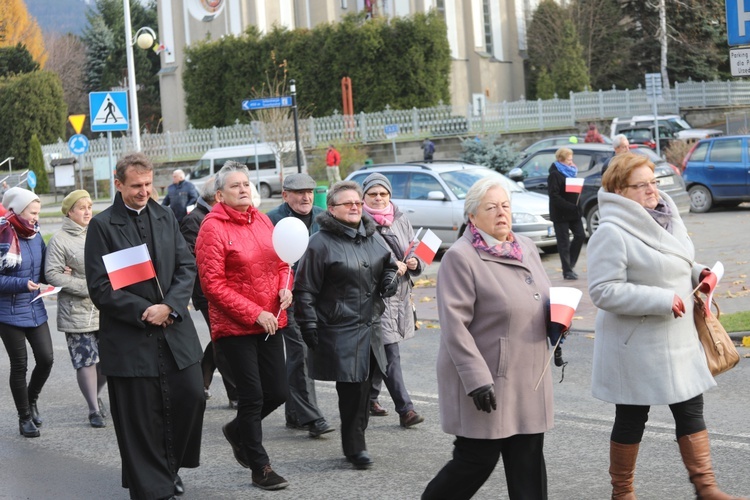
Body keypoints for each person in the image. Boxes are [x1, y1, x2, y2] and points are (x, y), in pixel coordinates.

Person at [587, 152, 743, 500]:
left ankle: (706, 489)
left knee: (691, 408)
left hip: (677, 339)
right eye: (640, 185)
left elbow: (675, 261)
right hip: (636, 345)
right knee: (631, 417)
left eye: (653, 182)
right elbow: (602, 290)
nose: (651, 191)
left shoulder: (667, 216)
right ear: (619, 190)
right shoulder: (611, 231)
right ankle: (622, 493)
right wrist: (659, 299)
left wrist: (698, 272)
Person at [422, 176, 555, 500]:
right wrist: (476, 379)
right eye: (491, 207)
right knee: (475, 461)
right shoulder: (461, 257)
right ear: (472, 216)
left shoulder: (525, 247)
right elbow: (455, 325)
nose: (501, 213)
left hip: (528, 379)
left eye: (505, 205)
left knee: (528, 464)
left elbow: (541, 297)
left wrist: (557, 327)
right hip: (488, 380)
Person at [85, 153, 205, 500]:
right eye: (136, 186)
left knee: (191, 396)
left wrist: (169, 306)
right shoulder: (103, 225)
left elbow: (186, 266)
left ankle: (169, 467)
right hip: (130, 337)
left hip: (174, 330)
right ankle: (152, 487)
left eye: (149, 184)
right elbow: (101, 287)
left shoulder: (165, 215)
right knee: (140, 416)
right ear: (118, 184)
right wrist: (145, 310)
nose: (144, 191)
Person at [195, 161, 291, 491]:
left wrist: (285, 286)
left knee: (278, 391)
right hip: (235, 327)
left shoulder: (263, 220)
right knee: (252, 397)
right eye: (235, 186)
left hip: (270, 321)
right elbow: (212, 284)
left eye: (246, 184)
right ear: (220, 195)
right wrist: (253, 313)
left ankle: (237, 431)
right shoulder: (212, 227)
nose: (244, 189)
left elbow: (283, 261)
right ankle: (260, 467)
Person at [294, 181, 399, 470]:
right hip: (340, 328)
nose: (355, 207)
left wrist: (390, 277)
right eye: (347, 203)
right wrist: (309, 325)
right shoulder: (319, 243)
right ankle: (355, 447)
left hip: (372, 327)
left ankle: (356, 438)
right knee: (352, 389)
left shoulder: (371, 235)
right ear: (331, 209)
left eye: (357, 202)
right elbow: (304, 289)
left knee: (366, 388)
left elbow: (389, 263)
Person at [266, 173, 333, 438]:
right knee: (300, 354)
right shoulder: (271, 220)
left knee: (306, 355)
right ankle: (312, 417)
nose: (305, 197)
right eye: (298, 192)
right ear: (285, 195)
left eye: (309, 191)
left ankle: (294, 414)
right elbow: (266, 261)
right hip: (286, 298)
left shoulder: (323, 217)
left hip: (317, 297)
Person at [361, 173, 425, 428]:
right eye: (373, 194)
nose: (378, 198)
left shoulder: (400, 218)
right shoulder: (359, 223)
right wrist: (389, 266)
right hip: (376, 297)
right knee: (389, 351)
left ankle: (369, 398)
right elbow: (360, 259)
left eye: (383, 194)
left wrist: (414, 261)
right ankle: (405, 409)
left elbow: (415, 245)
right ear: (364, 197)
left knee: (381, 349)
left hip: (400, 295)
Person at [45, 190, 107, 429]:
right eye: (81, 207)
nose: (87, 211)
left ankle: (96, 395)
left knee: (107, 361)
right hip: (76, 310)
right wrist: (88, 287)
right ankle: (93, 408)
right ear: (70, 211)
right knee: (86, 360)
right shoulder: (59, 239)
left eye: (89, 206)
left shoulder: (98, 232)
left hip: (103, 308)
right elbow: (52, 274)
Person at [179, 177, 238, 409]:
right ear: (217, 197)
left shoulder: (221, 215)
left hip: (229, 289)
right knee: (223, 342)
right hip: (207, 293)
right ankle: (236, 394)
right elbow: (191, 260)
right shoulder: (194, 220)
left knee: (220, 338)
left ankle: (201, 381)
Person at [0, 187, 53, 438]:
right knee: (19, 365)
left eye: (38, 212)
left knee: (46, 359)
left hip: (34, 305)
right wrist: (21, 284)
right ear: (18, 210)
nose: (36, 217)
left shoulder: (35, 233)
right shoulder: (3, 233)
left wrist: (55, 276)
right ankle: (24, 417)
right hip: (7, 313)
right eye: (32, 212)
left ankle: (31, 400)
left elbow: (41, 268)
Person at [547, 147, 586, 280]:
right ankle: (567, 271)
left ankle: (570, 263)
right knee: (563, 242)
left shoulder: (571, 171)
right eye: (568, 159)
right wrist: (569, 206)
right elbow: (554, 196)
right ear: (560, 160)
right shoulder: (554, 174)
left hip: (573, 212)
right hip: (561, 213)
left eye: (571, 158)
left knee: (580, 235)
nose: (571, 161)